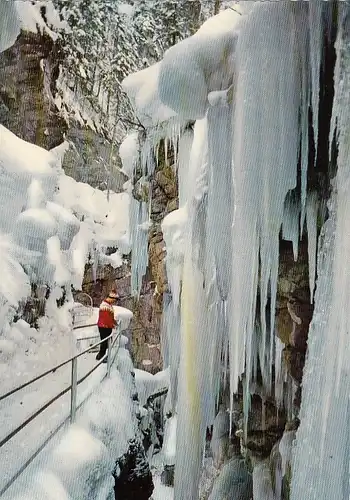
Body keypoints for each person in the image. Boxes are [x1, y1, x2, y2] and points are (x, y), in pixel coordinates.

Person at [96, 290, 118, 360]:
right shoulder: (105, 306)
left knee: (107, 342)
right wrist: (112, 324)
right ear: (112, 298)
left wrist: (114, 322)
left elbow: (110, 317)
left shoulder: (108, 305)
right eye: (115, 300)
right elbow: (106, 318)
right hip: (104, 326)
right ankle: (100, 357)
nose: (115, 301)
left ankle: (104, 356)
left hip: (106, 326)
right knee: (104, 342)